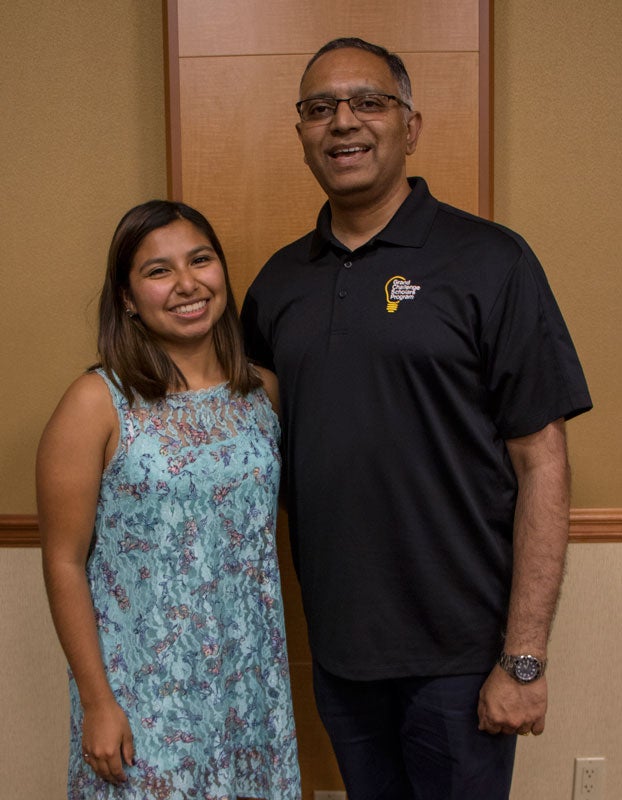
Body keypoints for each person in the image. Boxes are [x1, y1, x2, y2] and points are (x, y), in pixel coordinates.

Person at [240, 37, 592, 800]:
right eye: (320, 108)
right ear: (300, 131)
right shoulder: (276, 285)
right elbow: (241, 451)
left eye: (369, 102)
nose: (344, 122)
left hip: (461, 659)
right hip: (338, 652)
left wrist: (523, 658)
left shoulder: (492, 261)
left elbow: (542, 462)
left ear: (411, 125)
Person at [38, 200, 301, 800]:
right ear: (127, 297)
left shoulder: (264, 393)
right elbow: (63, 562)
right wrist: (98, 702)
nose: (187, 284)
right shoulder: (96, 402)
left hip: (249, 683)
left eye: (201, 260)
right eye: (158, 271)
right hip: (144, 693)